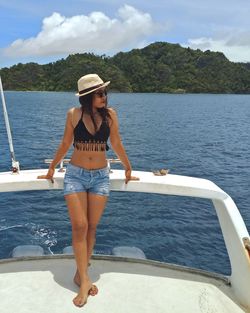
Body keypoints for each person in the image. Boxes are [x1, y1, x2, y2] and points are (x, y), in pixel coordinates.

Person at [37, 73, 139, 307]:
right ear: (88, 97)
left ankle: (79, 273)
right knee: (80, 226)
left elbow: (116, 143)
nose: (104, 97)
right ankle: (85, 280)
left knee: (92, 227)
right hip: (75, 175)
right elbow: (65, 144)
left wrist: (128, 167)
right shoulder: (73, 114)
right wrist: (52, 168)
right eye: (99, 94)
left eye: (105, 93)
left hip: (101, 177)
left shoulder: (111, 116)